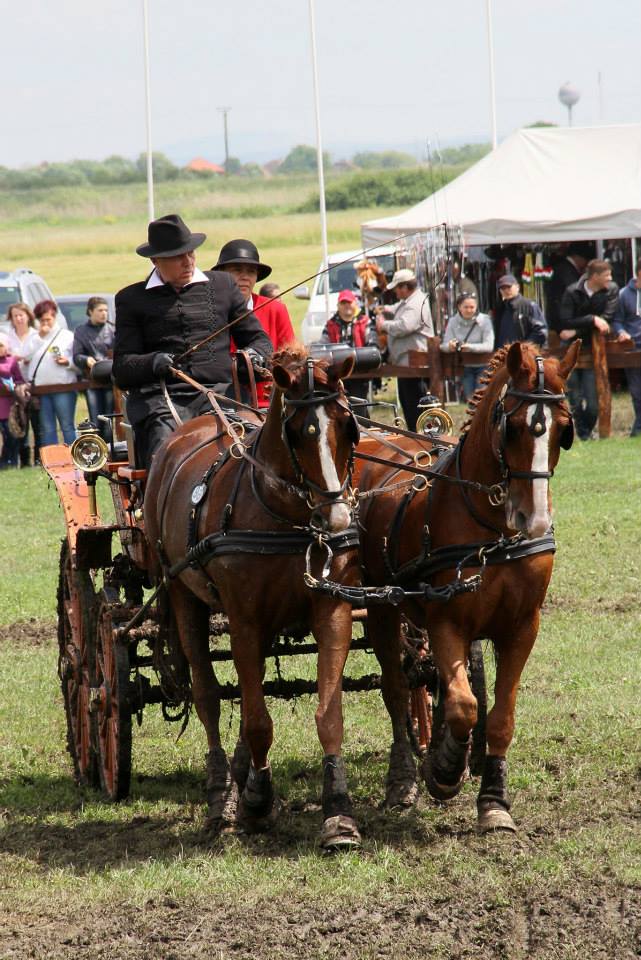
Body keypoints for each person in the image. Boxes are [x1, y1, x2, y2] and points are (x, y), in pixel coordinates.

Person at [113, 215, 272, 467]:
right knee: (165, 449)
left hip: (221, 397)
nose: (188, 262)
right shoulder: (131, 300)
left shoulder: (223, 285)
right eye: (178, 256)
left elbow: (258, 338)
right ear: (156, 260)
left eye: (190, 253)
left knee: (257, 450)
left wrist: (256, 354)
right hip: (162, 402)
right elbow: (122, 368)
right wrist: (153, 363)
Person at [211, 239, 295, 408]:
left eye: (250, 271)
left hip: (268, 405)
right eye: (237, 270)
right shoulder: (209, 311)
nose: (244, 277)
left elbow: (291, 359)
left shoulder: (276, 309)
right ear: (222, 274)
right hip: (222, 405)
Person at [559, 259, 618, 441]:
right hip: (571, 350)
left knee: (593, 402)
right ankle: (585, 435)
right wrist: (592, 320)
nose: (610, 278)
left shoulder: (612, 290)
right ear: (594, 276)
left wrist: (578, 329)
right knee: (574, 397)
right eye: (606, 275)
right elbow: (564, 322)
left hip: (595, 351)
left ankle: (585, 431)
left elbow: (606, 320)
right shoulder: (572, 292)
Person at [375, 268, 433, 431]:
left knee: (415, 404)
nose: (395, 292)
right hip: (406, 361)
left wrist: (383, 325)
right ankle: (416, 434)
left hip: (414, 363)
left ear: (405, 287)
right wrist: (385, 309)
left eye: (397, 288)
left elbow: (405, 325)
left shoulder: (415, 304)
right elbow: (398, 308)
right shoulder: (410, 300)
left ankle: (421, 435)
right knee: (408, 403)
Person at [23, 300, 78, 448]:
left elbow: (77, 361)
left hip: (64, 388)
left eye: (48, 319)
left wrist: (67, 362)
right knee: (47, 429)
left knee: (67, 426)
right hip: (41, 390)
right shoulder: (35, 337)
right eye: (42, 320)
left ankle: (75, 458)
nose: (45, 323)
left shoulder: (67, 336)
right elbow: (24, 355)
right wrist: (39, 337)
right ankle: (52, 462)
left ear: (54, 317)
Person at [322, 289, 377, 408]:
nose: (347, 305)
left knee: (359, 407)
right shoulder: (330, 324)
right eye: (343, 303)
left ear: (355, 304)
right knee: (339, 407)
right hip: (338, 375)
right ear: (338, 306)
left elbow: (372, 344)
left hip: (360, 372)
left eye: (349, 302)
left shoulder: (364, 321)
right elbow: (323, 347)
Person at [73, 296, 115, 442]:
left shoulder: (112, 330)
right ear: (90, 311)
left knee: (109, 420)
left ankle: (110, 454)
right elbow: (76, 356)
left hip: (111, 382)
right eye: (100, 310)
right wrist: (86, 360)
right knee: (95, 422)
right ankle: (97, 454)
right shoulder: (81, 331)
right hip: (92, 382)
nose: (104, 313)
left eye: (106, 310)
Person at [440, 293, 495, 400]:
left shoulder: (485, 320)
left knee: (481, 398)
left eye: (472, 307)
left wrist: (470, 347)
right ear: (459, 307)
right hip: (464, 366)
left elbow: (489, 346)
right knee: (470, 398)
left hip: (483, 364)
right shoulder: (453, 321)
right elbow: (444, 345)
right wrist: (450, 346)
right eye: (466, 307)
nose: (469, 310)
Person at [5, 302, 40, 465]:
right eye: (15, 316)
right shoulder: (7, 337)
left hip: (35, 384)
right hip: (15, 386)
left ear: (28, 316)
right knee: (20, 421)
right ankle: (24, 460)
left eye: (21, 315)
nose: (19, 318)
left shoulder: (36, 335)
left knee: (38, 423)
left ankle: (39, 459)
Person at [611, 259, 641, 436]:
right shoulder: (623, 294)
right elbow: (617, 320)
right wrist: (621, 332)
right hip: (633, 349)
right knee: (637, 392)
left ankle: (637, 429)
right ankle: (638, 429)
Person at [495, 274, 547, 349]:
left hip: (524, 354)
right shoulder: (500, 308)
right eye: (503, 288)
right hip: (503, 354)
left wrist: (524, 347)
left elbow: (541, 332)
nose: (506, 290)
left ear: (518, 287)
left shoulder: (529, 305)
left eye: (509, 287)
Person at [546, 243, 591, 329]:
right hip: (562, 317)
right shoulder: (567, 271)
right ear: (578, 257)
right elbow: (573, 293)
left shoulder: (561, 267)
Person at [0, 333, 25, 468]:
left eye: (1, 345)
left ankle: (12, 461)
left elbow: (20, 379)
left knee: (11, 435)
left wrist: (14, 385)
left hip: (9, 407)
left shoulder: (12, 361)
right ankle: (4, 461)